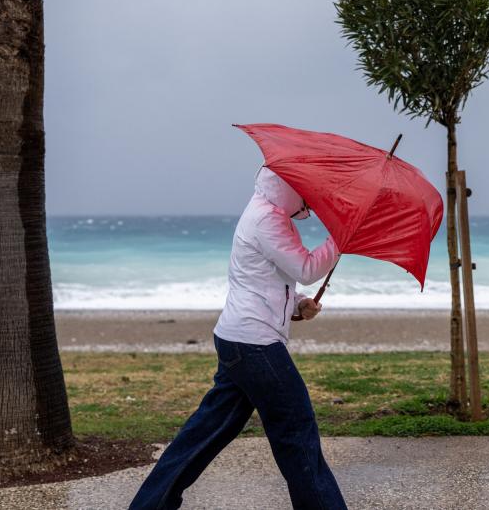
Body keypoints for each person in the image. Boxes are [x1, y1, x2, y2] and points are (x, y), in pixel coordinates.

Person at [130, 167, 345, 510]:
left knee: (203, 434)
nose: (311, 199)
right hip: (255, 344)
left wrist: (298, 304)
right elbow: (306, 269)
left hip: (238, 339)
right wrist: (341, 237)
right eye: (305, 190)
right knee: (296, 432)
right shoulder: (267, 219)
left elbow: (263, 279)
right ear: (288, 187)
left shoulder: (267, 213)